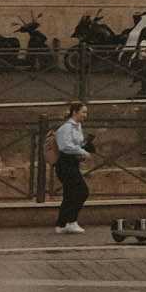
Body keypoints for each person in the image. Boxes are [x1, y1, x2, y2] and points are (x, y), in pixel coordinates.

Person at [50, 100, 91, 234]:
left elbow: (76, 144)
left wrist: (83, 150)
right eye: (83, 112)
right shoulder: (66, 128)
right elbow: (65, 146)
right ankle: (71, 221)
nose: (86, 115)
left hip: (72, 163)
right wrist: (82, 152)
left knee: (69, 194)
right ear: (75, 112)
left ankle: (62, 224)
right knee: (82, 191)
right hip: (65, 164)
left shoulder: (78, 126)